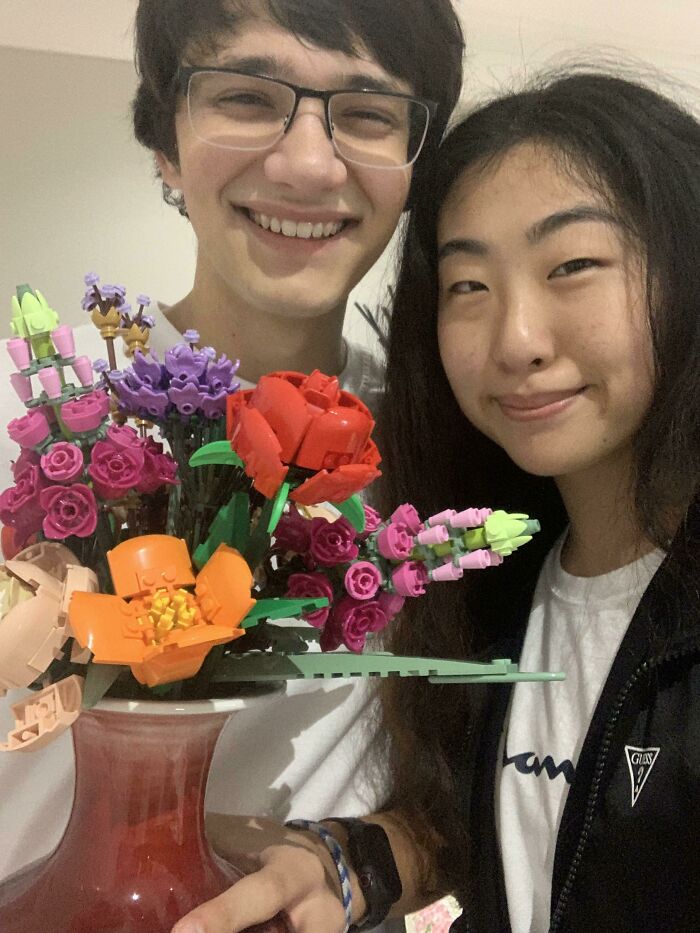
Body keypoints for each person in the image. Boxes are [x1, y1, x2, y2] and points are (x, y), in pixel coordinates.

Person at [170, 70, 700, 933]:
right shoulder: (492, 580)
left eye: (573, 265)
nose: (517, 340)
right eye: (467, 287)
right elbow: (501, 817)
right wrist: (353, 862)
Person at [0, 0, 465, 918]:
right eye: (247, 98)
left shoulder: (443, 452)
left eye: (368, 114)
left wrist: (363, 862)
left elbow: (482, 781)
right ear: (165, 145)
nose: (305, 163)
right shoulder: (37, 413)